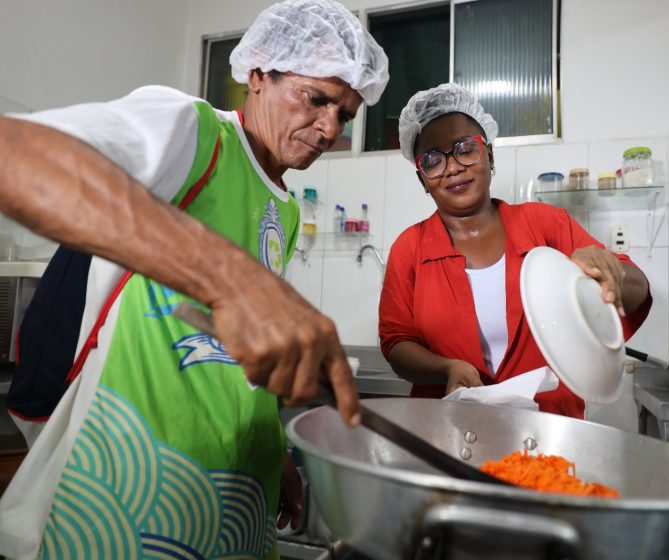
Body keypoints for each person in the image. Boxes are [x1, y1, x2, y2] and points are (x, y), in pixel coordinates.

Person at [0, 1, 388, 558]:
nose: (330, 128)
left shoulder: (284, 203)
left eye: (345, 114)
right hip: (136, 493)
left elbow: (226, 355)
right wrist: (230, 276)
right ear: (258, 76)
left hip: (234, 497)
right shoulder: (192, 131)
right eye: (316, 98)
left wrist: (274, 452)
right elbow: (20, 155)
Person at [379, 83, 651, 418]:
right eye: (433, 160)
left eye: (465, 149)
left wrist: (612, 272)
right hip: (448, 430)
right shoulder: (409, 248)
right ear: (423, 179)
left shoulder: (543, 224)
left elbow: (636, 290)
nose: (452, 168)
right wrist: (446, 368)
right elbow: (395, 342)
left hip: (547, 430)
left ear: (489, 155)